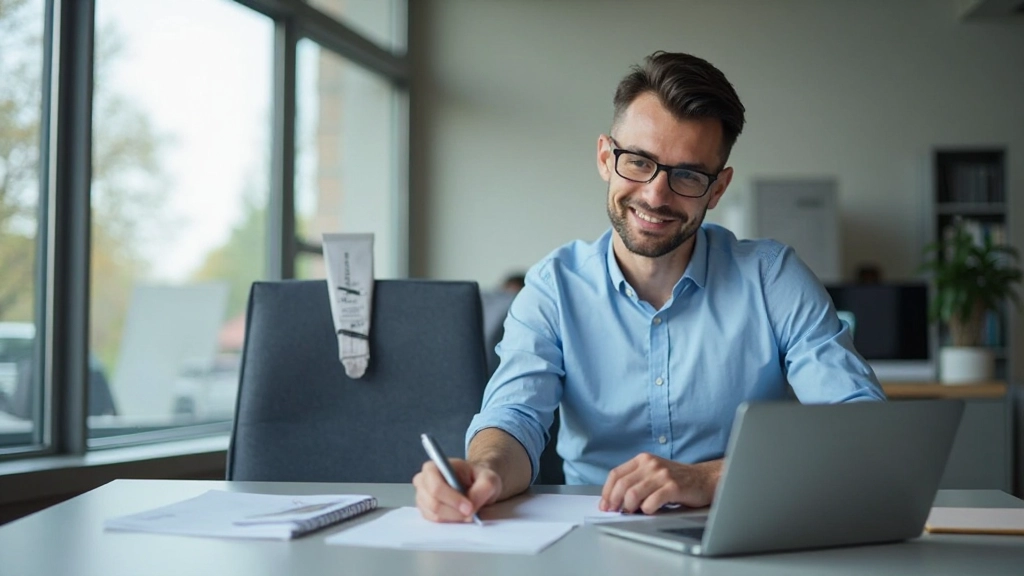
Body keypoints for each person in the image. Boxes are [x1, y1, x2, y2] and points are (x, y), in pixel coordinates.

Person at [413, 51, 884, 523]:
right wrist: (486, 471)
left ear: (717, 189)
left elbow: (861, 427)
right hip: (589, 535)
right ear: (605, 158)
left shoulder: (772, 277)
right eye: (638, 162)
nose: (656, 195)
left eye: (687, 175)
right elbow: (513, 418)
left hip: (745, 528)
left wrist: (710, 478)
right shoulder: (552, 287)